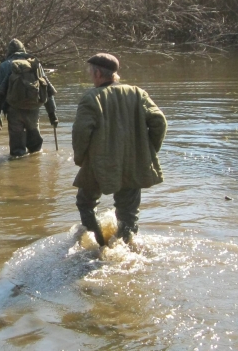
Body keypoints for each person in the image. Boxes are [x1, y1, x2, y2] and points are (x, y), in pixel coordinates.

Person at [71, 53, 166, 247]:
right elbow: (159, 122)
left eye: (91, 72)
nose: (91, 76)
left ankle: (98, 245)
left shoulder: (91, 98)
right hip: (133, 162)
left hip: (98, 164)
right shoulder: (138, 93)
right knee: (128, 213)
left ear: (98, 73)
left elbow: (81, 133)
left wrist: (81, 159)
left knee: (85, 203)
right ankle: (125, 248)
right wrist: (148, 152)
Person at [0, 39, 58, 157]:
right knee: (35, 149)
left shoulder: (4, 66)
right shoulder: (35, 64)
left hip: (13, 109)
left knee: (17, 151)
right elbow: (46, 88)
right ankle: (35, 166)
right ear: (23, 50)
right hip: (33, 108)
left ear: (9, 52)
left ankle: (17, 169)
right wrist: (52, 115)